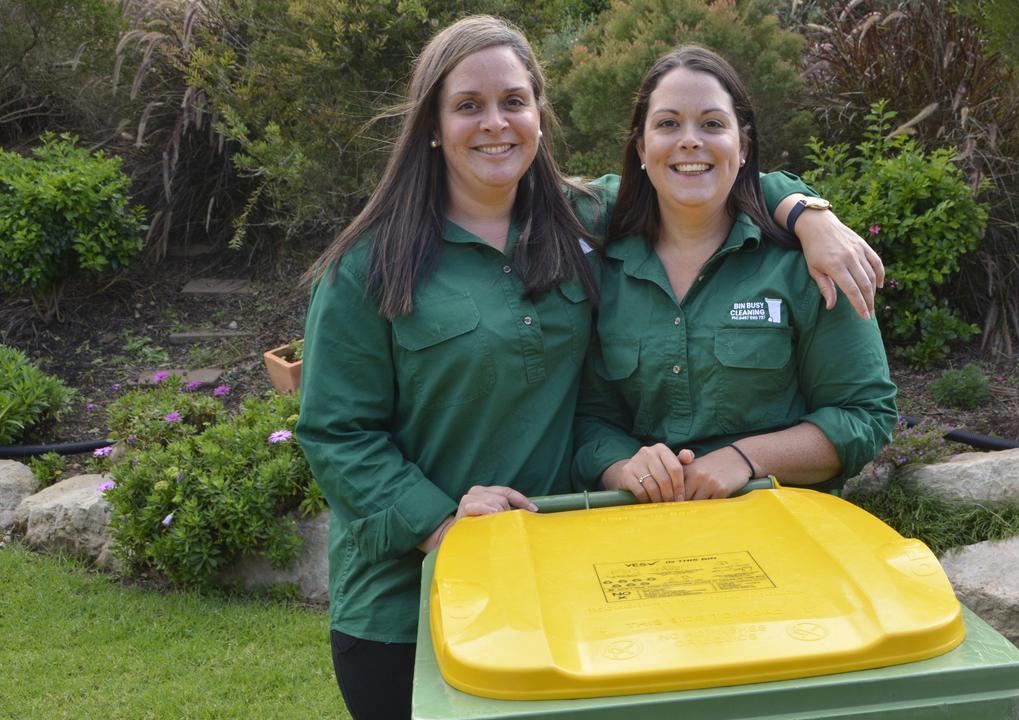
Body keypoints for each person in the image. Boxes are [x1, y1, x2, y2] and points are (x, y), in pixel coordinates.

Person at [295, 16, 881, 720]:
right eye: (468, 105)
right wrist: (443, 523)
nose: (495, 124)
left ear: (540, 116)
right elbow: (336, 433)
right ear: (431, 124)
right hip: (406, 602)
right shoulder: (369, 266)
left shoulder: (583, 218)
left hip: (559, 584)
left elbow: (700, 170)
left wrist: (809, 212)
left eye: (515, 102)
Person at [572, 46, 898, 503]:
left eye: (712, 123)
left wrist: (744, 458)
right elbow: (588, 417)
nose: (690, 140)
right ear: (642, 149)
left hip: (781, 527)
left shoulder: (808, 263)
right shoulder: (602, 268)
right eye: (668, 124)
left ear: (742, 147)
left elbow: (865, 416)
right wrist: (623, 466)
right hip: (641, 528)